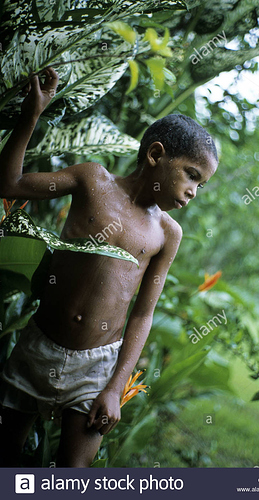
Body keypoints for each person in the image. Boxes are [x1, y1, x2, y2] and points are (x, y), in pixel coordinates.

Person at [0, 67, 218, 467]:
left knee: (74, 473)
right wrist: (30, 116)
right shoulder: (91, 181)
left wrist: (115, 387)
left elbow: (143, 313)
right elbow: (9, 184)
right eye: (192, 175)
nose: (193, 191)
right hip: (38, 345)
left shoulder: (167, 234)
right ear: (155, 155)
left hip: (96, 365)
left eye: (201, 185)